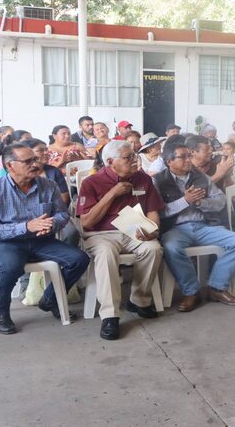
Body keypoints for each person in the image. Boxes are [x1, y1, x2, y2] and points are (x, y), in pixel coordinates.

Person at [0, 143, 89, 334]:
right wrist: (26, 226)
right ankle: (0, 312)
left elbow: (62, 214)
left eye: (35, 159)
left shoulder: (48, 185)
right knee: (11, 266)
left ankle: (50, 299)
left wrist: (51, 224)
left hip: (40, 241)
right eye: (28, 161)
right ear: (10, 165)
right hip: (3, 243)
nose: (35, 164)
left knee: (79, 259)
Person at [77, 141, 164, 340]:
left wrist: (151, 231)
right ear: (110, 162)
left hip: (134, 231)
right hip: (101, 234)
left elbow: (153, 213)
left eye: (134, 155)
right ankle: (110, 315)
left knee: (153, 249)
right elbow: (87, 222)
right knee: (106, 253)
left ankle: (138, 300)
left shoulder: (143, 179)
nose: (134, 160)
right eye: (128, 157)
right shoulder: (91, 182)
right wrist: (112, 194)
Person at [153, 143, 235, 312]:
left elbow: (220, 201)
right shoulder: (158, 180)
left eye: (189, 156)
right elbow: (158, 212)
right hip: (175, 229)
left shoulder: (201, 177)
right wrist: (185, 201)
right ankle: (192, 291)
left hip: (204, 226)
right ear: (169, 161)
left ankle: (217, 287)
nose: (188, 160)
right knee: (171, 247)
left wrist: (200, 202)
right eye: (183, 157)